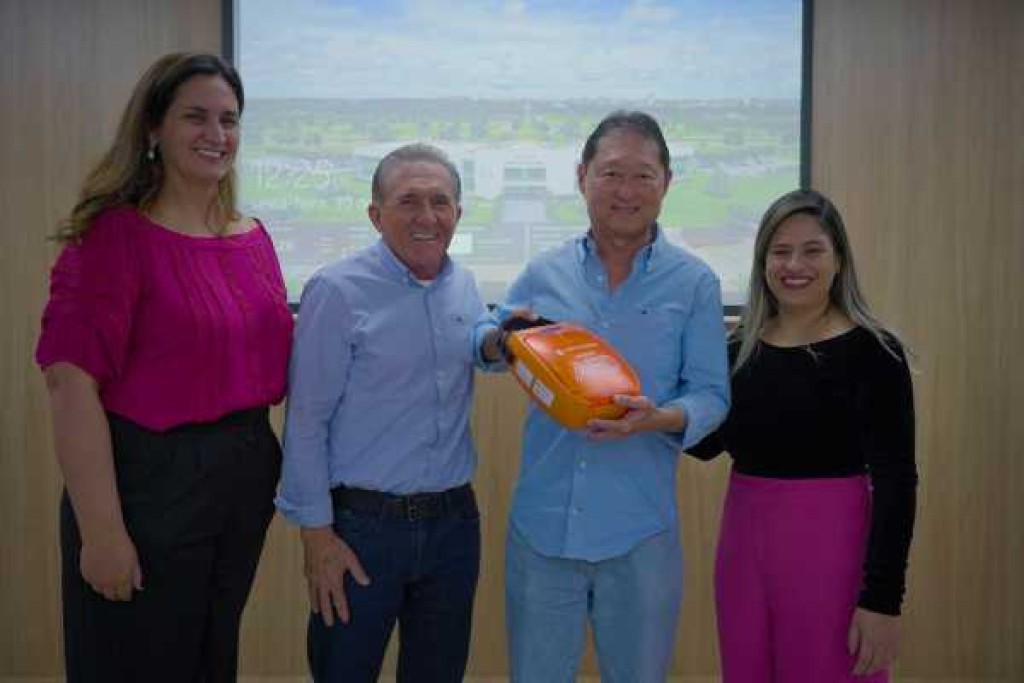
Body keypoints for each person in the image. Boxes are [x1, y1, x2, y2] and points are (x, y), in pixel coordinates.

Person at [35, 53, 293, 682]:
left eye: (229, 119)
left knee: (210, 660)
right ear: (153, 128)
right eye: (195, 117)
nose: (216, 134)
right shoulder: (114, 236)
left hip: (242, 474)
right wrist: (102, 534)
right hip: (148, 485)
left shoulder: (252, 236)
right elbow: (70, 384)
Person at [476, 111, 730, 682]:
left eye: (643, 176)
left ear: (667, 183)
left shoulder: (694, 283)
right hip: (542, 529)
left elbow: (712, 395)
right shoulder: (543, 273)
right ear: (582, 176)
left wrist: (659, 418)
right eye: (611, 173)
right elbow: (489, 340)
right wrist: (497, 341)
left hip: (640, 533)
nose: (626, 191)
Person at [687, 188, 918, 682]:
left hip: (834, 550)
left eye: (812, 250)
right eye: (780, 251)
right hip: (744, 548)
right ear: (763, 262)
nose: (795, 265)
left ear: (839, 260)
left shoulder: (875, 353)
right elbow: (705, 445)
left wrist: (882, 601)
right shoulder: (737, 351)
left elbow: (897, 483)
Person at [277, 144, 485, 683]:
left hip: (453, 526)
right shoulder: (337, 290)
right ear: (375, 214)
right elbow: (306, 422)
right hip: (362, 531)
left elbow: (488, 352)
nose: (426, 216)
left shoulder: (465, 286)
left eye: (440, 202)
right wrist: (316, 537)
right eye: (408, 201)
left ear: (458, 213)